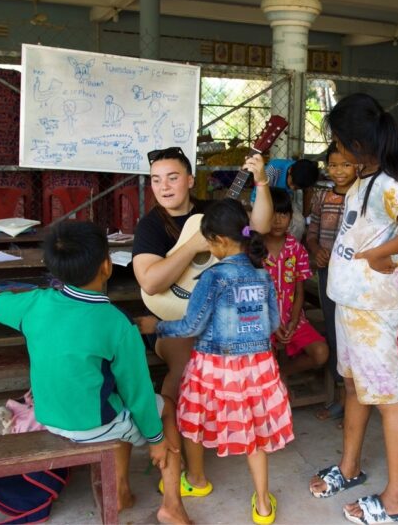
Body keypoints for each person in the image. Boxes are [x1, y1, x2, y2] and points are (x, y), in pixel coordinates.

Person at [0, 221, 189, 525]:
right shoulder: (117, 323)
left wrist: (40, 296)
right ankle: (172, 505)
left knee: (114, 403)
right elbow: (138, 394)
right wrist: (156, 438)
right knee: (164, 409)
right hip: (91, 424)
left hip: (49, 415)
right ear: (107, 266)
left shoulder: (35, 303)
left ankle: (120, 490)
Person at [307, 93, 398, 525]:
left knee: (388, 400)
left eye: (339, 140)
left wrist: (383, 252)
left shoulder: (390, 186)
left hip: (371, 313)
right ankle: (349, 468)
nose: (336, 148)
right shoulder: (364, 181)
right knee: (354, 387)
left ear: (358, 143)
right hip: (350, 305)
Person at [138, 199, 292, 525]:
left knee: (192, 420)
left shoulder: (214, 277)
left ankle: (196, 480)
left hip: (214, 364)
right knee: (255, 431)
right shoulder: (262, 274)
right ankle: (263, 505)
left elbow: (191, 326)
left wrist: (158, 326)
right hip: (257, 364)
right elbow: (275, 321)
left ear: (219, 241)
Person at [132, 146, 272, 400]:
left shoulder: (214, 211)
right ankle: (172, 433)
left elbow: (259, 228)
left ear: (189, 180)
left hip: (220, 313)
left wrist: (261, 183)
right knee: (188, 363)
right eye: (156, 180)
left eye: (172, 177)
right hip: (171, 315)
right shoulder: (150, 226)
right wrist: (192, 247)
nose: (164, 186)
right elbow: (150, 283)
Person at [306, 142, 358, 421]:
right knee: (333, 329)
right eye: (334, 165)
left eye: (346, 164)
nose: (339, 171)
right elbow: (312, 232)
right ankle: (341, 394)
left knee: (354, 331)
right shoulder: (322, 197)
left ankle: (356, 398)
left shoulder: (362, 196)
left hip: (356, 275)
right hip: (328, 273)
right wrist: (316, 250)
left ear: (358, 166)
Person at [264, 187, 329, 376]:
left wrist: (293, 320)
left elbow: (299, 291)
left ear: (291, 217)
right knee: (264, 357)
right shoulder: (254, 249)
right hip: (262, 320)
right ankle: (272, 380)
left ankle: (281, 373)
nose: (277, 221)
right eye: (272, 214)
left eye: (283, 214)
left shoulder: (296, 248)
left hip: (293, 318)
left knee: (321, 353)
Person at [252, 157, 320, 241]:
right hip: (262, 199)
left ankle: (292, 248)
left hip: (285, 200)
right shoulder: (273, 169)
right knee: (266, 224)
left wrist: (303, 216)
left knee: (299, 223)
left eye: (296, 188)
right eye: (292, 183)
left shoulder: (304, 176)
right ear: (290, 170)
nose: (292, 188)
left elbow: (308, 192)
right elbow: (260, 193)